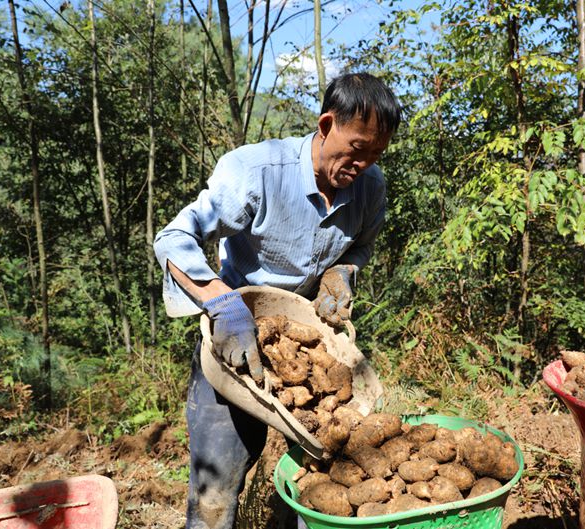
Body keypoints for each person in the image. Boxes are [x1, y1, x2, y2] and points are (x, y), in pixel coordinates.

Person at [153, 72, 401, 529]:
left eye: (376, 155)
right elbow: (174, 238)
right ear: (326, 125)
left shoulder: (371, 187)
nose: (363, 164)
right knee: (215, 492)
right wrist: (222, 305)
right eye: (357, 148)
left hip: (308, 343)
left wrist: (342, 271)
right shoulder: (256, 171)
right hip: (234, 340)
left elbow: (362, 244)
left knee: (323, 491)